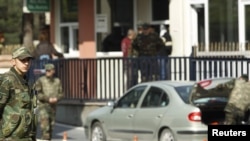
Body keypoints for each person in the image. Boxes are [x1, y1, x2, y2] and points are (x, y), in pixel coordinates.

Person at [0, 46, 37, 140]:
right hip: (10, 138)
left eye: (28, 60)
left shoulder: (27, 81)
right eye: (22, 60)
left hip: (27, 136)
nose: (26, 63)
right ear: (13, 62)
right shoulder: (7, 80)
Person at [34, 63, 64, 140]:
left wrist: (57, 98)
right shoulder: (41, 80)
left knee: (51, 128)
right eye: (47, 70)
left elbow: (62, 93)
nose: (48, 72)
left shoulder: (57, 81)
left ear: (53, 71)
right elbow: (37, 93)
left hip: (53, 107)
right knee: (45, 128)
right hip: (43, 106)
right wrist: (47, 99)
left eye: (49, 70)